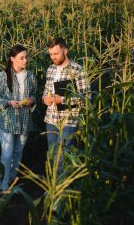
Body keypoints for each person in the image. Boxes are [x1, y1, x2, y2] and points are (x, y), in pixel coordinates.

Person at [42, 37, 91, 169]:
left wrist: (62, 100)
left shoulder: (77, 70)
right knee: (52, 155)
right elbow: (46, 90)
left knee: (62, 157)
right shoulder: (50, 69)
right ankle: (54, 188)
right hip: (51, 120)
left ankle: (61, 188)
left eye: (56, 54)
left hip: (68, 121)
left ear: (65, 50)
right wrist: (45, 99)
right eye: (51, 54)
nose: (53, 57)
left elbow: (86, 98)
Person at [0, 44, 37, 191]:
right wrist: (9, 102)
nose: (25, 61)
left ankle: (12, 179)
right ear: (12, 59)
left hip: (24, 120)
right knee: (6, 155)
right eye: (21, 58)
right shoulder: (2, 76)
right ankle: (3, 185)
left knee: (18, 152)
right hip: (8, 121)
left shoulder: (31, 76)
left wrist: (32, 100)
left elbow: (34, 95)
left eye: (26, 57)